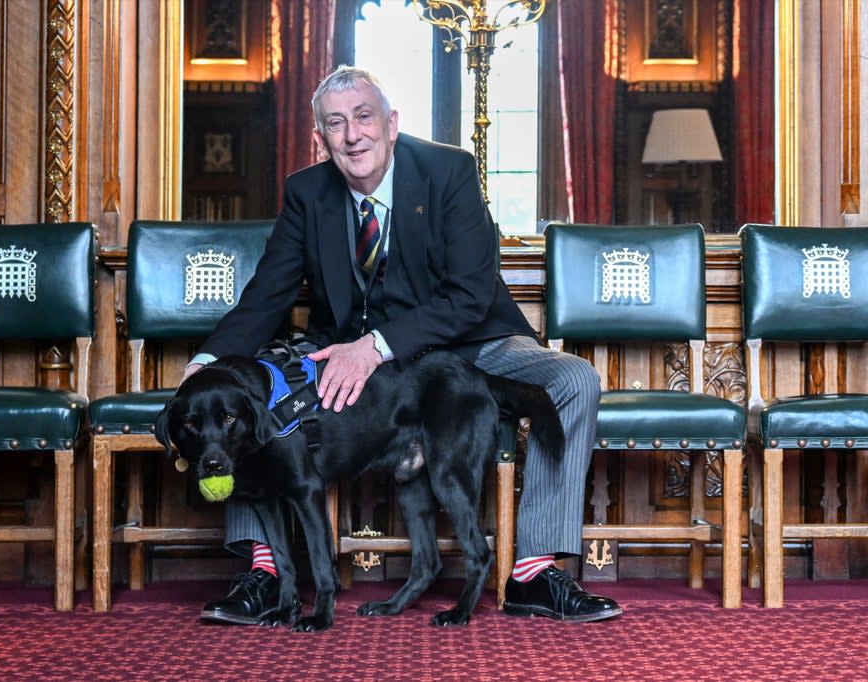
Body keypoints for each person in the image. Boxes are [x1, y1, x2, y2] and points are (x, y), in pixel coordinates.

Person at [183, 65, 621, 624]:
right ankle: (265, 573)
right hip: (347, 353)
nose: (352, 135)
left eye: (364, 117)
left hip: (471, 342)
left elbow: (468, 295)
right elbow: (265, 296)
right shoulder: (306, 192)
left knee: (573, 379)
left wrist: (377, 346)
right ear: (320, 139)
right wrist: (204, 365)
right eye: (335, 124)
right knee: (247, 389)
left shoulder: (449, 171)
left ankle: (535, 572)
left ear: (391, 123)